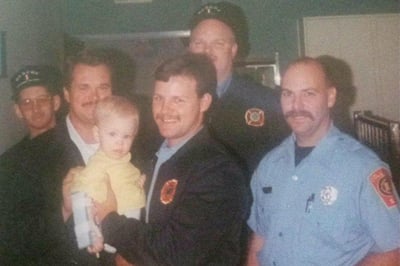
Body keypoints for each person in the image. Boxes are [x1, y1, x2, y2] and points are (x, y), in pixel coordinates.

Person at [85, 53, 248, 265]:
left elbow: (175, 254)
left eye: (178, 100)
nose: (164, 110)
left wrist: (108, 218)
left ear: (204, 102)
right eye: (158, 98)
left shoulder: (217, 171)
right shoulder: (147, 158)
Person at [247, 57, 400, 265]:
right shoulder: (269, 165)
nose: (296, 105)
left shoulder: (363, 169)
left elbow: (393, 251)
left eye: (309, 94)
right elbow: (261, 239)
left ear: (330, 97)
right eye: (287, 94)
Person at [188, 1, 288, 177]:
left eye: (218, 43)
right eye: (199, 43)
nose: (207, 51)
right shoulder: (174, 105)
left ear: (233, 50)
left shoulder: (266, 102)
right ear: (190, 49)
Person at [0, 65, 66, 264]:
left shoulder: (75, 146)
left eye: (42, 100)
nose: (35, 108)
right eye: (27, 102)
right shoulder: (8, 162)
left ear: (55, 102)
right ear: (18, 111)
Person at [71, 96, 145, 250]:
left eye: (127, 136)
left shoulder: (127, 162)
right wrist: (89, 238)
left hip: (132, 233)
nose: (120, 142)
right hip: (108, 235)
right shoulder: (97, 166)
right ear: (97, 134)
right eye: (112, 134)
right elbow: (79, 197)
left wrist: (139, 184)